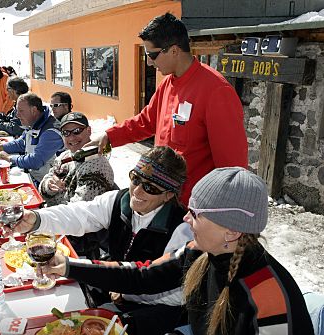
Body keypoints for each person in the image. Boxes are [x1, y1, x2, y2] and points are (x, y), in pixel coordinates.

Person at [45, 167, 316, 335]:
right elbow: (143, 275)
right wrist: (69, 266)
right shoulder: (201, 252)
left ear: (231, 230)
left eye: (196, 213)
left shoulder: (269, 296)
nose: (186, 218)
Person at [89, 13, 248, 206]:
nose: (148, 62)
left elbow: (232, 166)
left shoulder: (215, 91)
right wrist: (109, 136)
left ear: (174, 50)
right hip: (162, 199)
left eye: (152, 55)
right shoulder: (167, 84)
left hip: (193, 207)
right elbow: (146, 122)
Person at [15, 145, 186, 262]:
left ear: (168, 195)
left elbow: (170, 289)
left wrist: (125, 292)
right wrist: (36, 219)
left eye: (150, 188)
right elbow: (78, 214)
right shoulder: (118, 200)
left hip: (150, 307)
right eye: (135, 179)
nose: (137, 191)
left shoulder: (180, 229)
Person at [39, 111, 114, 207]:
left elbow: (79, 211)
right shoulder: (64, 156)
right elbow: (43, 187)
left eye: (77, 131)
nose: (71, 138)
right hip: (55, 212)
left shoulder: (96, 165)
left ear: (89, 130)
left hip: (68, 219)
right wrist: (49, 185)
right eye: (66, 133)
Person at [0, 93, 64, 185]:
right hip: (34, 177)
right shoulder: (34, 122)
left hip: (49, 186)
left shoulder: (51, 131)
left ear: (34, 110)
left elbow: (36, 161)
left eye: (21, 111)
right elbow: (21, 143)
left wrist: (8, 158)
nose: (18, 115)